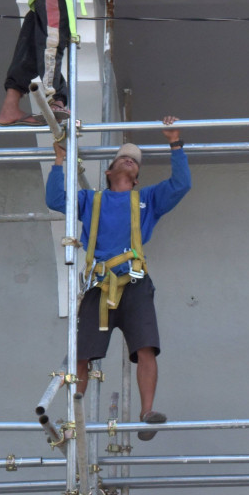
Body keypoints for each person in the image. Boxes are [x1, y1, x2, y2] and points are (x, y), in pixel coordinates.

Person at [46, 116, 191, 441]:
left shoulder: (147, 200)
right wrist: (59, 160)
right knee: (81, 353)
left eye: (135, 162)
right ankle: (73, 420)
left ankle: (146, 412)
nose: (130, 160)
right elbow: (56, 200)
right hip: (99, 286)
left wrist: (175, 142)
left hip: (135, 283)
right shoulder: (92, 200)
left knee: (146, 348)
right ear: (109, 171)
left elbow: (181, 184)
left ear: (137, 177)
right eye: (123, 158)